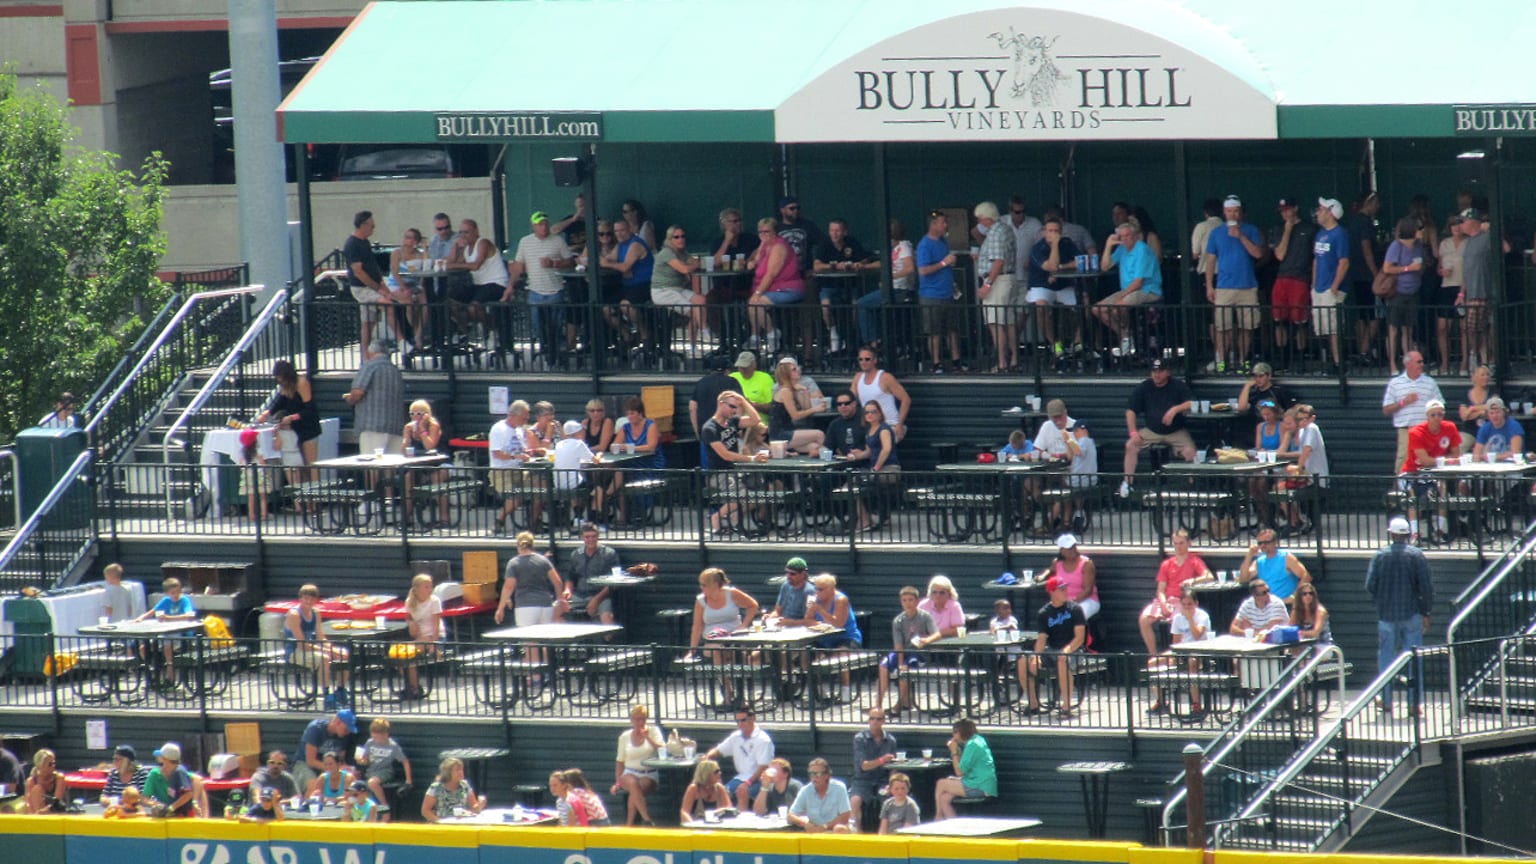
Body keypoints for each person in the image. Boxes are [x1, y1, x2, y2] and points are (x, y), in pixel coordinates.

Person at [1367, 517, 1434, 716]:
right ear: (1407, 535)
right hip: (1411, 614)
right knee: (1414, 659)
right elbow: (1427, 588)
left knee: (1386, 660)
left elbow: (1370, 585)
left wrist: (1380, 601)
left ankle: (1387, 702)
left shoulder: (1380, 556)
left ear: (1391, 534)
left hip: (1386, 615)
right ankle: (1414, 705)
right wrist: (1426, 612)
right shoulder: (1417, 555)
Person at [1204, 195, 1269, 373]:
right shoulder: (1216, 233)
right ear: (1224, 212)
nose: (1233, 214)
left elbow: (1257, 254)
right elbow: (1210, 260)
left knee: (1246, 326)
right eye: (1229, 211)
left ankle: (1242, 360)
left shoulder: (1251, 230)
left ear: (1240, 212)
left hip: (1247, 285)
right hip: (1224, 286)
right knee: (1222, 326)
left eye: (1236, 211)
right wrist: (1209, 285)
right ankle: (1222, 360)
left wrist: (1240, 236)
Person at [683, 568, 761, 710]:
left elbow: (753, 605)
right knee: (717, 651)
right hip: (712, 641)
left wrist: (743, 625)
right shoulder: (701, 601)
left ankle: (739, 696)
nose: (701, 588)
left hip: (734, 639)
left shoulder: (732, 593)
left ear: (715, 585)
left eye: (704, 585)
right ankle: (728, 692)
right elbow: (697, 626)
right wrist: (692, 650)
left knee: (734, 654)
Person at [1120, 358, 1197, 498]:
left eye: (1160, 371)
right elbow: (1130, 410)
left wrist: (1175, 410)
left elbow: (1192, 403)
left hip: (1176, 431)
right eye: (1154, 371)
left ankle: (1194, 489)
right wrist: (1133, 432)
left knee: (1191, 452)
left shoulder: (1177, 385)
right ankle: (1127, 483)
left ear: (1168, 372)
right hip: (1152, 431)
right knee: (1130, 445)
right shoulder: (1144, 387)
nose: (1156, 374)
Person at [507, 212, 575, 362]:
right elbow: (518, 266)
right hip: (535, 291)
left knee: (556, 326)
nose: (543, 227)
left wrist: (555, 263)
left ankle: (556, 352)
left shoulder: (558, 240)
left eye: (545, 223)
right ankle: (546, 351)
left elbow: (570, 262)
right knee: (539, 325)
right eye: (539, 224)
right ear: (534, 226)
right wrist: (510, 286)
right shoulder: (525, 242)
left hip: (555, 289)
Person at [701, 391, 769, 535]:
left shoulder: (732, 422)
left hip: (736, 471)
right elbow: (725, 455)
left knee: (762, 491)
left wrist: (743, 401)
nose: (734, 410)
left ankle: (735, 518)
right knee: (740, 494)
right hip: (719, 473)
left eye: (736, 407)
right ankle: (716, 518)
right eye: (732, 406)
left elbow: (755, 420)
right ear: (721, 404)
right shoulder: (710, 428)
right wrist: (751, 458)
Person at [1094, 217, 1163, 357]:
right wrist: (1108, 245)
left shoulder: (1143, 250)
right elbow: (1105, 266)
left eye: (1128, 236)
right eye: (1122, 236)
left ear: (1136, 236)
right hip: (1128, 290)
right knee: (1097, 309)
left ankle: (1129, 337)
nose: (1125, 239)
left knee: (1119, 306)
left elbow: (1138, 282)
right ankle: (1125, 336)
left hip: (1148, 290)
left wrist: (1121, 295)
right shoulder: (1122, 249)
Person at [1138, 529, 1213, 656]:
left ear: (1189, 543)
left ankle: (1178, 656)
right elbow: (1160, 590)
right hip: (1166, 600)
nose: (1178, 546)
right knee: (1144, 619)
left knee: (1179, 620)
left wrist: (1193, 580)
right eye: (1175, 543)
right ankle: (1153, 655)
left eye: (1181, 543)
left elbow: (1209, 576)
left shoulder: (1194, 561)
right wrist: (1163, 604)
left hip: (1183, 601)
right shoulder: (1166, 564)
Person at [1398, 398, 1462, 544]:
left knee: (1442, 491)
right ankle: (1415, 533)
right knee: (1412, 497)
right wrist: (1445, 460)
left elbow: (1456, 454)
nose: (1437, 418)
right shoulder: (1416, 432)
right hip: (1413, 471)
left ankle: (1439, 531)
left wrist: (1440, 461)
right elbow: (1424, 460)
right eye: (1433, 415)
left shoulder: (1449, 428)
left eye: (1440, 414)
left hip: (1436, 472)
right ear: (1427, 416)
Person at [1022, 577, 1087, 717]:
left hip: (1074, 651)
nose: (1066, 591)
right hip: (1051, 650)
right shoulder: (1044, 613)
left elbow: (1080, 637)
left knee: (1062, 659)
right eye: (1061, 589)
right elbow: (1042, 638)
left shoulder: (1075, 609)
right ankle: (1033, 704)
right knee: (1023, 660)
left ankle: (1066, 707)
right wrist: (1036, 656)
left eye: (1066, 588)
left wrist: (1067, 651)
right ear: (1052, 592)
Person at [345, 210, 409, 352]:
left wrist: (383, 286)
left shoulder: (365, 243)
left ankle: (364, 356)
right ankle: (401, 341)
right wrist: (378, 289)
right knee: (388, 305)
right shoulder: (352, 244)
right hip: (362, 288)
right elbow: (359, 271)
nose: (373, 229)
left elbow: (372, 267)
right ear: (363, 225)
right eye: (372, 226)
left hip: (373, 286)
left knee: (369, 323)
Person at [813, 218, 879, 354]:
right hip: (829, 284)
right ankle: (833, 333)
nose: (834, 234)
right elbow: (817, 266)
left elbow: (865, 258)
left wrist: (858, 264)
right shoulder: (824, 244)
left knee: (856, 308)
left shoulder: (852, 243)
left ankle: (854, 338)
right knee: (826, 306)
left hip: (849, 284)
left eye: (837, 230)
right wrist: (835, 266)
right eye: (832, 230)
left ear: (844, 232)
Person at [342, 338, 404, 476]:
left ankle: (373, 496)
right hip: (395, 426)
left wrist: (349, 398)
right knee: (390, 467)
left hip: (372, 425)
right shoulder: (395, 370)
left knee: (371, 465)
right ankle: (389, 497)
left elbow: (357, 393)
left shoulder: (370, 366)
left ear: (370, 352)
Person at [285, 584, 351, 709]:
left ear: (316, 600)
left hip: (310, 648)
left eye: (312, 599)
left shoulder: (316, 613)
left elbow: (321, 637)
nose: (309, 601)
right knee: (324, 658)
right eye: (306, 598)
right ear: (300, 599)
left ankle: (341, 691)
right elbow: (302, 644)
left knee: (343, 653)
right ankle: (327, 697)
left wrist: (331, 648)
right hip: (295, 651)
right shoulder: (294, 615)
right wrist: (325, 650)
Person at [254, 359, 321, 482]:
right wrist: (267, 413)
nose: (280, 381)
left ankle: (315, 499)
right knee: (299, 467)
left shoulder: (301, 383)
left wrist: (292, 417)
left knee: (310, 466)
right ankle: (303, 498)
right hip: (295, 429)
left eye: (281, 378)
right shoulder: (285, 387)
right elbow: (281, 402)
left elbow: (309, 409)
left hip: (308, 428)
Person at [746, 217, 805, 354]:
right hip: (771, 288)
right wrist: (761, 245)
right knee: (752, 303)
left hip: (788, 289)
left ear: (775, 232)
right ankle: (756, 336)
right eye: (760, 232)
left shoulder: (779, 247)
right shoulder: (766, 245)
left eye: (767, 232)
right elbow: (754, 260)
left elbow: (771, 274)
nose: (764, 235)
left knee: (756, 303)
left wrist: (758, 293)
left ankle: (772, 334)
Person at [1151, 586, 1214, 715]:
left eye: (1190, 604)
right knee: (1153, 663)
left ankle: (1196, 704)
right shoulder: (1178, 618)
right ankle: (1161, 701)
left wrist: (1190, 619)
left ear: (1196, 604)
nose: (1187, 608)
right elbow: (1175, 641)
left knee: (1192, 662)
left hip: (1199, 650)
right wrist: (1175, 656)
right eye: (1184, 605)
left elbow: (1197, 635)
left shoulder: (1203, 616)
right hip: (1183, 650)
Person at [972, 201, 1019, 372]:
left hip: (998, 281)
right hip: (1008, 279)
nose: (979, 223)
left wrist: (987, 284)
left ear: (986, 218)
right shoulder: (1005, 229)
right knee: (1009, 322)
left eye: (980, 219)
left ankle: (1001, 363)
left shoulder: (995, 233)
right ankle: (1014, 359)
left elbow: (998, 262)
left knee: (996, 323)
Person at [880, 585, 939, 718]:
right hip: (904, 651)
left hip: (920, 653)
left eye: (910, 600)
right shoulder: (898, 620)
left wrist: (927, 640)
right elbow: (898, 645)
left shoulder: (925, 617)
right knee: (883, 665)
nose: (907, 603)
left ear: (917, 601)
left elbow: (936, 634)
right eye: (904, 600)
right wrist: (899, 663)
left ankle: (899, 705)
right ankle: (878, 705)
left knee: (905, 670)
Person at [1026, 216, 1082, 358]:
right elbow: (1050, 266)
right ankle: (1054, 344)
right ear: (1045, 232)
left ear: (1061, 231)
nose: (1053, 234)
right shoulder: (1038, 248)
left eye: (1056, 231)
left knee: (1084, 302)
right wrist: (1055, 246)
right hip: (1041, 285)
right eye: (1050, 230)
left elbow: (1080, 261)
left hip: (1063, 285)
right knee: (1041, 306)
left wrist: (1061, 268)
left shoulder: (1067, 243)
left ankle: (1077, 342)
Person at [916, 210, 962, 373]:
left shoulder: (943, 241)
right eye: (942, 222)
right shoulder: (924, 245)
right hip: (931, 295)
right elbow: (923, 270)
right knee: (934, 331)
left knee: (952, 329)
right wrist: (944, 263)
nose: (945, 225)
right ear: (933, 224)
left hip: (947, 292)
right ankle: (936, 363)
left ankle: (956, 362)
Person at [706, 704, 775, 811]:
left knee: (742, 792)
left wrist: (747, 783)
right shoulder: (735, 736)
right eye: (737, 721)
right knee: (721, 793)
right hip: (740, 778)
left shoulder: (763, 740)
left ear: (753, 719)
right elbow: (718, 750)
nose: (740, 724)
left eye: (743, 720)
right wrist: (707, 757)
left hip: (759, 780)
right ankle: (725, 820)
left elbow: (763, 768)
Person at [1382, 217, 1428, 375]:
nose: (1422, 231)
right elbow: (1387, 268)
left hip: (1413, 292)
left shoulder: (1419, 246)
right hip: (1398, 292)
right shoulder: (1397, 246)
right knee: (1393, 329)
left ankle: (1408, 364)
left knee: (1408, 330)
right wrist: (1408, 268)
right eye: (1419, 229)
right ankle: (1392, 365)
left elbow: (1423, 264)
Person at [135, 576, 197, 689]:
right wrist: (141, 618)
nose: (176, 595)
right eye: (173, 593)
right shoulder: (165, 601)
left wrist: (169, 618)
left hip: (181, 633)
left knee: (167, 647)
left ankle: (170, 678)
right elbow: (153, 611)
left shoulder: (184, 600)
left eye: (178, 591)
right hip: (166, 632)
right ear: (167, 593)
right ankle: (154, 673)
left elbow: (190, 615)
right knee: (143, 648)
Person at [1310, 197, 1351, 370]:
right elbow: (1316, 260)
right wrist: (1313, 284)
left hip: (1331, 288)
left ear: (1330, 213)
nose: (1318, 212)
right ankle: (1329, 361)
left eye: (1321, 209)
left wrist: (1334, 285)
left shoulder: (1340, 233)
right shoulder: (1320, 234)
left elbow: (1344, 261)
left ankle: (1338, 362)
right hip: (1319, 287)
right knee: (1323, 328)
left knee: (1334, 328)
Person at [808, 573, 863, 701]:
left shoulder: (840, 600)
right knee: (810, 654)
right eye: (816, 588)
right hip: (825, 638)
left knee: (840, 655)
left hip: (846, 637)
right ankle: (820, 690)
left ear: (831, 588)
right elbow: (808, 620)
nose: (817, 592)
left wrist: (820, 610)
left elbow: (839, 624)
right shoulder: (815, 599)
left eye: (821, 589)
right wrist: (810, 612)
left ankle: (845, 689)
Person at [490, 400, 540, 534]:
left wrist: (527, 453)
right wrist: (515, 457)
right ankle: (500, 520)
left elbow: (522, 449)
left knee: (541, 485)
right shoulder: (499, 429)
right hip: (503, 471)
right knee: (515, 497)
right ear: (513, 415)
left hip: (520, 469)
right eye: (524, 417)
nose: (527, 419)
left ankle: (534, 523)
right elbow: (497, 453)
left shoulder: (519, 430)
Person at [611, 702, 665, 826]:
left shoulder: (654, 731)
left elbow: (662, 749)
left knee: (635, 790)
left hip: (648, 773)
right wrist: (617, 783)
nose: (639, 722)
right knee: (633, 783)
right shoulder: (624, 737)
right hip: (629, 772)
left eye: (642, 719)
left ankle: (629, 825)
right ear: (631, 720)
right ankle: (647, 819)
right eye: (636, 719)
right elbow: (620, 761)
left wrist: (648, 738)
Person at [401, 399, 451, 528]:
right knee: (408, 478)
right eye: (412, 414)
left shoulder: (433, 425)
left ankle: (444, 518)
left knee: (438, 478)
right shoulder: (409, 427)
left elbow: (430, 446)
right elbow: (404, 451)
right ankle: (408, 517)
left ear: (427, 414)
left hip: (440, 462)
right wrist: (407, 436)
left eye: (419, 414)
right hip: (420, 463)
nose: (415, 417)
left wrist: (423, 430)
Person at [1458, 209, 1497, 373]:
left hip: (1485, 292)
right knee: (1472, 328)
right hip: (1471, 293)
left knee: (1487, 329)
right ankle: (1479, 358)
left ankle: (1489, 361)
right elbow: (1467, 272)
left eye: (1463, 221)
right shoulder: (1468, 243)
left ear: (1473, 222)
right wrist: (1461, 293)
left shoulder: (1486, 237)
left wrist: (1492, 230)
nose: (1461, 225)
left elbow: (1506, 248)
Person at [1346, 193, 1383, 362]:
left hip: (1355, 275)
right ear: (1369, 203)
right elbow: (1366, 247)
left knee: (1361, 315)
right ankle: (1364, 351)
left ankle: (1361, 350)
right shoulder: (1365, 222)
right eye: (1376, 203)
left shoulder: (1352, 222)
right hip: (1368, 276)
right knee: (1375, 315)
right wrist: (1375, 273)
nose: (1378, 206)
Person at [934, 718, 997, 818]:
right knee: (944, 798)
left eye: (954, 733)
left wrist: (954, 751)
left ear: (959, 733)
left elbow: (959, 772)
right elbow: (967, 769)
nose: (953, 736)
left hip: (980, 786)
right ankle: (954, 828)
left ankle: (938, 816)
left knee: (941, 783)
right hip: (981, 783)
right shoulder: (978, 739)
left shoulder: (972, 745)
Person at [848, 707, 897, 831]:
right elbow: (864, 766)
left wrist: (891, 784)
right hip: (862, 780)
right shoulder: (860, 738)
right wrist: (882, 760)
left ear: (883, 721)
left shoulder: (890, 740)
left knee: (891, 799)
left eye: (878, 719)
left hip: (882, 780)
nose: (874, 721)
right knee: (855, 801)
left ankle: (884, 834)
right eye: (872, 718)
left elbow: (894, 767)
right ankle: (857, 835)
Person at [563, 523, 620, 625]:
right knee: (557, 609)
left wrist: (596, 600)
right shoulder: (576, 554)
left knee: (607, 619)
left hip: (601, 595)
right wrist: (567, 590)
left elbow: (615, 582)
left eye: (593, 536)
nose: (590, 540)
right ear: (582, 538)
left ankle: (608, 641)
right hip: (579, 595)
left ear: (598, 536)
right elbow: (570, 577)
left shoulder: (609, 553)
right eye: (587, 537)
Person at [851, 346, 911, 442]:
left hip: (890, 424)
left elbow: (906, 399)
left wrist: (899, 424)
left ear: (875, 360)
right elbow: (851, 400)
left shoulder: (885, 377)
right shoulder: (857, 378)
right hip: (869, 426)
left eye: (867, 359)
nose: (863, 362)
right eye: (860, 359)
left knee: (878, 442)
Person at [396, 575, 441, 700]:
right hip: (419, 636)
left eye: (430, 586)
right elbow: (409, 617)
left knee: (408, 654)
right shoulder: (410, 602)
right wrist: (411, 623)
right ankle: (411, 686)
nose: (430, 589)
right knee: (398, 655)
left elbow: (436, 625)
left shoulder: (434, 601)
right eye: (426, 587)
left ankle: (414, 688)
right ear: (416, 589)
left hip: (432, 636)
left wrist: (434, 644)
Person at [769, 357, 826, 456]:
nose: (798, 370)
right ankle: (827, 461)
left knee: (814, 446)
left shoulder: (792, 389)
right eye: (794, 370)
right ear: (787, 375)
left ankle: (820, 463)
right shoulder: (785, 391)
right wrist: (815, 409)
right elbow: (795, 416)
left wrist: (805, 392)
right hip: (780, 434)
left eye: (797, 368)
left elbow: (806, 408)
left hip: (789, 430)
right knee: (819, 434)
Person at [1238, 528, 1311, 602]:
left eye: (1266, 542)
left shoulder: (1286, 557)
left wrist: (1294, 597)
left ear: (1275, 542)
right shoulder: (1259, 561)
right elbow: (1243, 579)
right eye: (1260, 543)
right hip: (1267, 605)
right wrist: (1249, 556)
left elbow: (1306, 576)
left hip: (1285, 604)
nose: (1263, 545)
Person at [295, 708, 357, 792]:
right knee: (314, 785)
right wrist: (334, 769)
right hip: (305, 764)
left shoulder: (344, 736)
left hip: (330, 766)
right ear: (337, 722)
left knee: (349, 780)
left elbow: (340, 759)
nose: (348, 732)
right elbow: (311, 761)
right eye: (346, 729)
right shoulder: (316, 729)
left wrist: (348, 769)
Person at [389, 227, 430, 350]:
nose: (406, 240)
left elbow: (426, 269)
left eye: (410, 237)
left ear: (415, 241)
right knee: (409, 299)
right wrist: (404, 287)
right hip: (397, 284)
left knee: (424, 301)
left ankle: (418, 334)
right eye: (405, 237)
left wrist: (425, 249)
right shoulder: (397, 253)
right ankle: (414, 330)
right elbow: (395, 273)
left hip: (413, 284)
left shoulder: (419, 254)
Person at [1042, 533, 1100, 621]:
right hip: (1064, 602)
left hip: (1087, 601)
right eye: (1069, 548)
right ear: (1061, 550)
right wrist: (1042, 576)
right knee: (1048, 617)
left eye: (1073, 546)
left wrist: (1071, 603)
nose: (1072, 550)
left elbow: (1088, 591)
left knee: (1072, 617)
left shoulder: (1086, 564)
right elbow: (1050, 570)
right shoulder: (1057, 563)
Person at [689, 356, 744, 445]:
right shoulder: (732, 382)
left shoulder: (701, 383)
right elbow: (739, 405)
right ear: (727, 370)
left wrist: (697, 432)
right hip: (727, 433)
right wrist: (738, 428)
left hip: (705, 432)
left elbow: (692, 408)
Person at [789, 757, 853, 833]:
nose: (814, 777)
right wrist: (805, 823)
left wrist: (825, 826)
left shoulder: (839, 788)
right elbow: (790, 816)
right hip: (814, 831)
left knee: (839, 828)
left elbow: (845, 816)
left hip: (834, 829)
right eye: (812, 774)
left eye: (818, 774)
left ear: (827, 775)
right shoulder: (805, 790)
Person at [143, 742, 197, 817]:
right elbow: (145, 798)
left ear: (165, 759)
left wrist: (171, 808)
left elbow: (188, 794)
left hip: (183, 815)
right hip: (175, 814)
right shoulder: (172, 772)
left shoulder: (179, 771)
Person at [421, 756, 483, 822]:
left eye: (461, 769)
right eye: (457, 770)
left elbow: (473, 807)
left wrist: (479, 805)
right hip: (441, 826)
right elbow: (425, 811)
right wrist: (440, 822)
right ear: (448, 773)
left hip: (462, 824)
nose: (461, 772)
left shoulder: (465, 785)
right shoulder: (436, 787)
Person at [679, 759, 731, 824]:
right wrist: (692, 825)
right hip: (697, 826)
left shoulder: (720, 788)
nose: (720, 773)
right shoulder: (693, 788)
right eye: (716, 772)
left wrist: (714, 813)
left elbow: (728, 808)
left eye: (719, 771)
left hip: (716, 825)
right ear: (706, 774)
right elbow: (684, 812)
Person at [1474, 397, 1525, 463]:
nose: (1494, 416)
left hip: (1511, 466)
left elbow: (1516, 453)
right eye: (1491, 413)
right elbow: (1476, 454)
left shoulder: (1514, 426)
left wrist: (1494, 457)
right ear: (1487, 415)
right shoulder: (1484, 428)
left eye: (1497, 412)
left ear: (1504, 412)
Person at [770, 557, 815, 625]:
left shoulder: (810, 592)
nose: (788, 576)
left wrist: (790, 622)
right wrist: (770, 618)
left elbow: (810, 621)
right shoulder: (785, 586)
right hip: (783, 626)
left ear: (803, 574)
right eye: (787, 572)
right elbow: (777, 611)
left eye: (792, 574)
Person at [1460, 364, 1494, 452]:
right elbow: (1464, 416)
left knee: (1489, 451)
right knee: (1460, 445)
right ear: (1474, 377)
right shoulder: (1466, 394)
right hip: (1469, 431)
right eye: (1482, 375)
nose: (1486, 377)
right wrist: (1480, 412)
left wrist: (1472, 409)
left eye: (1487, 375)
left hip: (1488, 432)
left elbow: (1491, 407)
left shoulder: (1493, 393)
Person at [824, 390, 867, 457]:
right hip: (844, 462)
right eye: (839, 404)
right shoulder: (835, 424)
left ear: (854, 403)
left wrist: (864, 452)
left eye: (847, 403)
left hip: (865, 462)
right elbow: (829, 447)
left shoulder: (865, 420)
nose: (843, 406)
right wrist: (818, 450)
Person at [24, 748, 68, 814]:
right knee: (37, 789)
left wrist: (42, 812)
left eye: (54, 763)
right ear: (40, 766)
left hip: (57, 814)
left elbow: (57, 804)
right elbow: (29, 806)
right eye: (50, 764)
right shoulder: (31, 781)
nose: (53, 766)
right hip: (38, 815)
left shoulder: (59, 778)